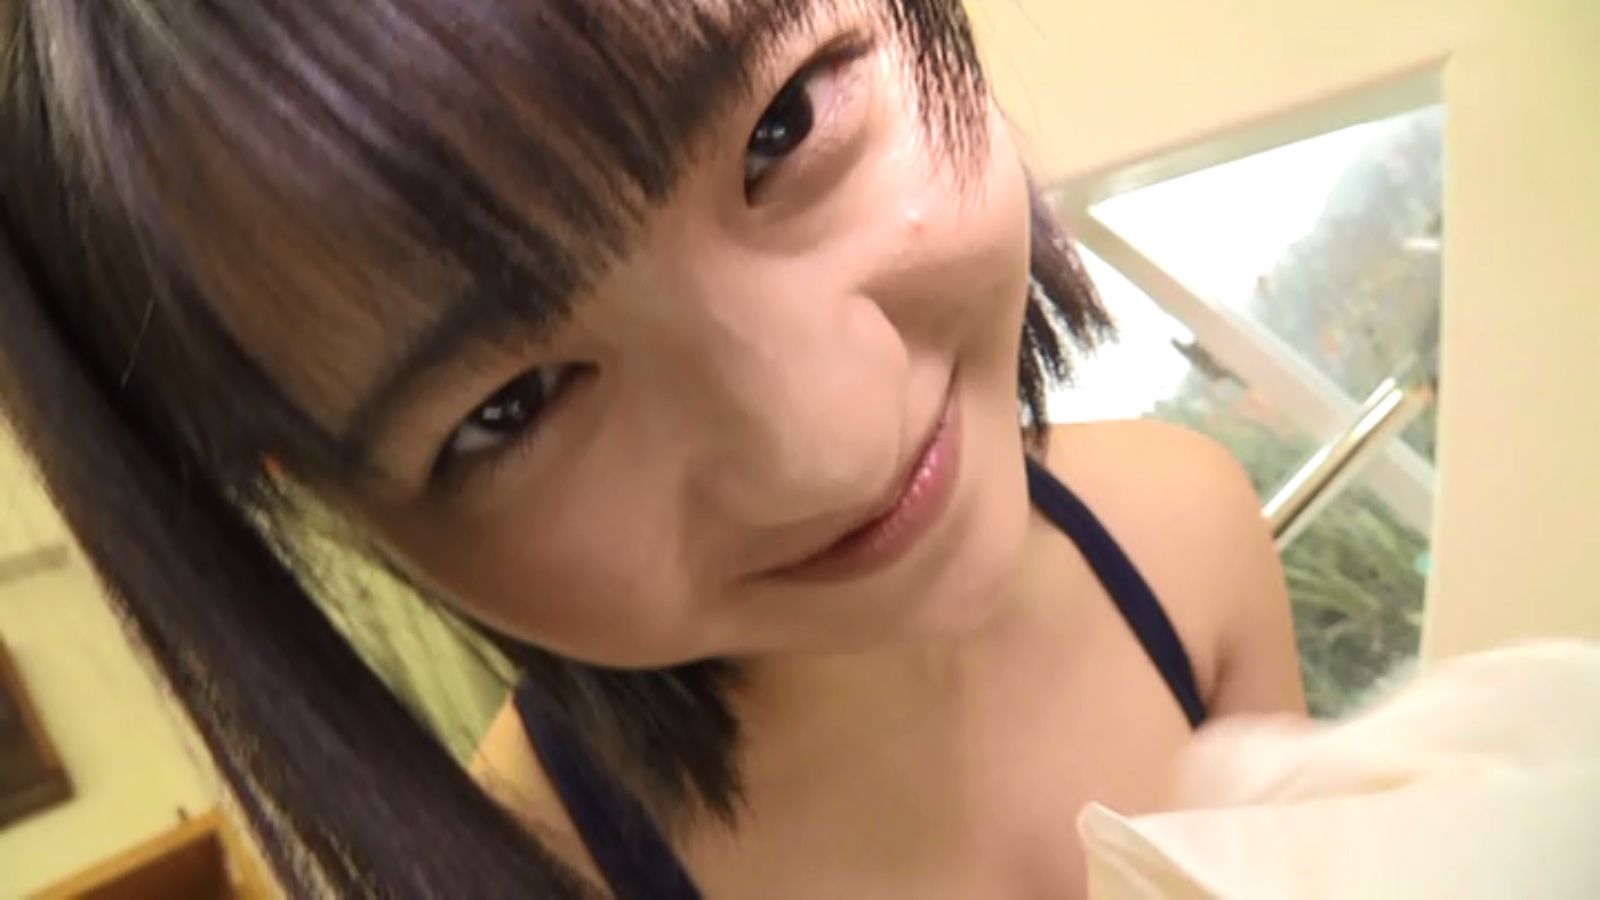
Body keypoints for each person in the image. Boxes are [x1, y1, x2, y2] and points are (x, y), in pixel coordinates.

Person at [0, 1, 1302, 896]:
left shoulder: (1181, 532)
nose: (829, 445)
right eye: (513, 405)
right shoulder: (532, 876)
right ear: (336, 509)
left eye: (785, 123)